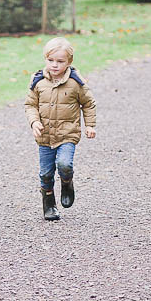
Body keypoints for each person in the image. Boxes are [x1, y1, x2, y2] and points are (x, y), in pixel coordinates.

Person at [24, 37, 97, 221]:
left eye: (60, 61)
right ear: (45, 59)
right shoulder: (38, 82)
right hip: (45, 136)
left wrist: (90, 125)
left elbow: (88, 103)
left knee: (65, 164)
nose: (55, 65)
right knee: (46, 173)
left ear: (69, 62)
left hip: (67, 134)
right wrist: (34, 122)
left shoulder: (75, 83)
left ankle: (66, 182)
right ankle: (49, 204)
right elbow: (30, 105)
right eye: (51, 61)